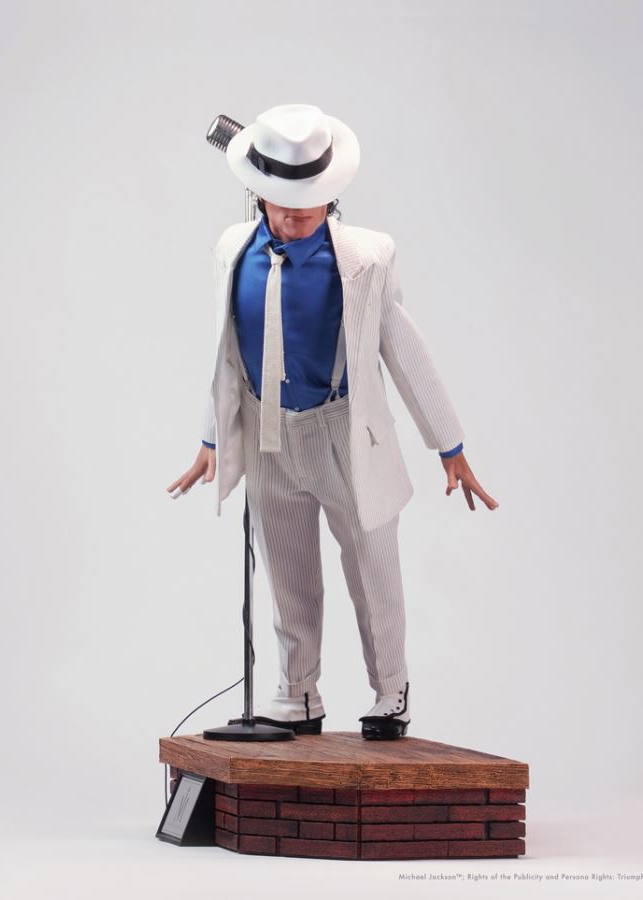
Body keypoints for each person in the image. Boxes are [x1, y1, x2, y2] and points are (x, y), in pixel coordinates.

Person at [167, 104, 497, 740]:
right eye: (283, 206)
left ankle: (391, 690)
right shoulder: (233, 249)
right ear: (259, 195)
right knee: (288, 573)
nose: (295, 218)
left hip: (344, 431)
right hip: (266, 433)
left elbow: (404, 349)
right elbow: (226, 349)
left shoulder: (366, 258)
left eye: (308, 206)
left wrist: (448, 444)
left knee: (373, 570)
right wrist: (213, 437)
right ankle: (298, 691)